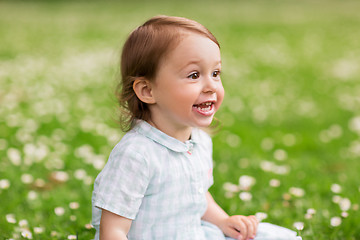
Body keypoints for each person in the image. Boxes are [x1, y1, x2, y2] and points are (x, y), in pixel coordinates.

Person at [92, 15, 300, 240]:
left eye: (216, 73)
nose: (211, 86)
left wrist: (222, 220)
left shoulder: (199, 141)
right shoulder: (136, 155)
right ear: (147, 91)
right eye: (194, 75)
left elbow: (196, 195)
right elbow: (113, 229)